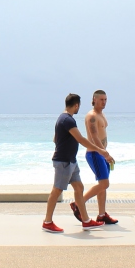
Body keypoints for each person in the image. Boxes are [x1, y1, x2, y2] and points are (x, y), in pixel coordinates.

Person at [43, 94, 109, 233]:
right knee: (57, 190)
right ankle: (47, 222)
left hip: (71, 160)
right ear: (76, 105)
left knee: (79, 188)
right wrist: (101, 150)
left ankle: (86, 221)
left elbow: (55, 139)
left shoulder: (63, 119)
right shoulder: (67, 120)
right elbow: (81, 139)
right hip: (64, 161)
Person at [80, 90, 118, 224]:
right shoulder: (92, 116)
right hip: (95, 153)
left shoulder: (101, 114)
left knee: (102, 185)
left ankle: (102, 214)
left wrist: (105, 152)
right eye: (101, 99)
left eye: (105, 99)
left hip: (102, 153)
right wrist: (104, 153)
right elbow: (94, 137)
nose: (104, 102)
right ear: (94, 99)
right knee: (104, 183)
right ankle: (79, 203)